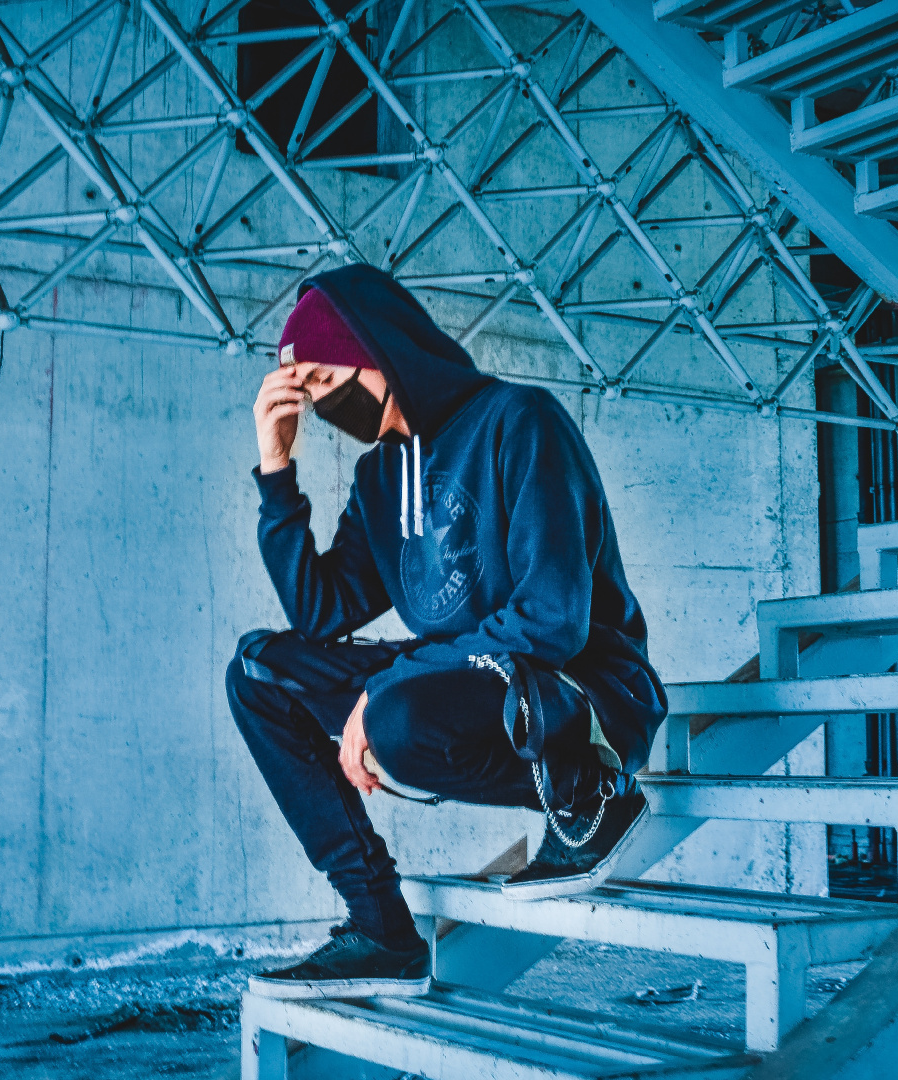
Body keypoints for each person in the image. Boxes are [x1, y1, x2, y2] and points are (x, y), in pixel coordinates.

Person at [228, 265, 667, 1000]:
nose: (321, 401)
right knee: (261, 675)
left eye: (324, 379)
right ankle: (379, 929)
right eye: (306, 391)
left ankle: (592, 788)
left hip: (582, 692)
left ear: (379, 352)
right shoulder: (380, 479)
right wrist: (277, 468)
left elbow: (553, 620)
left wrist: (385, 690)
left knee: (398, 716)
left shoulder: (521, 423)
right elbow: (320, 610)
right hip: (472, 686)